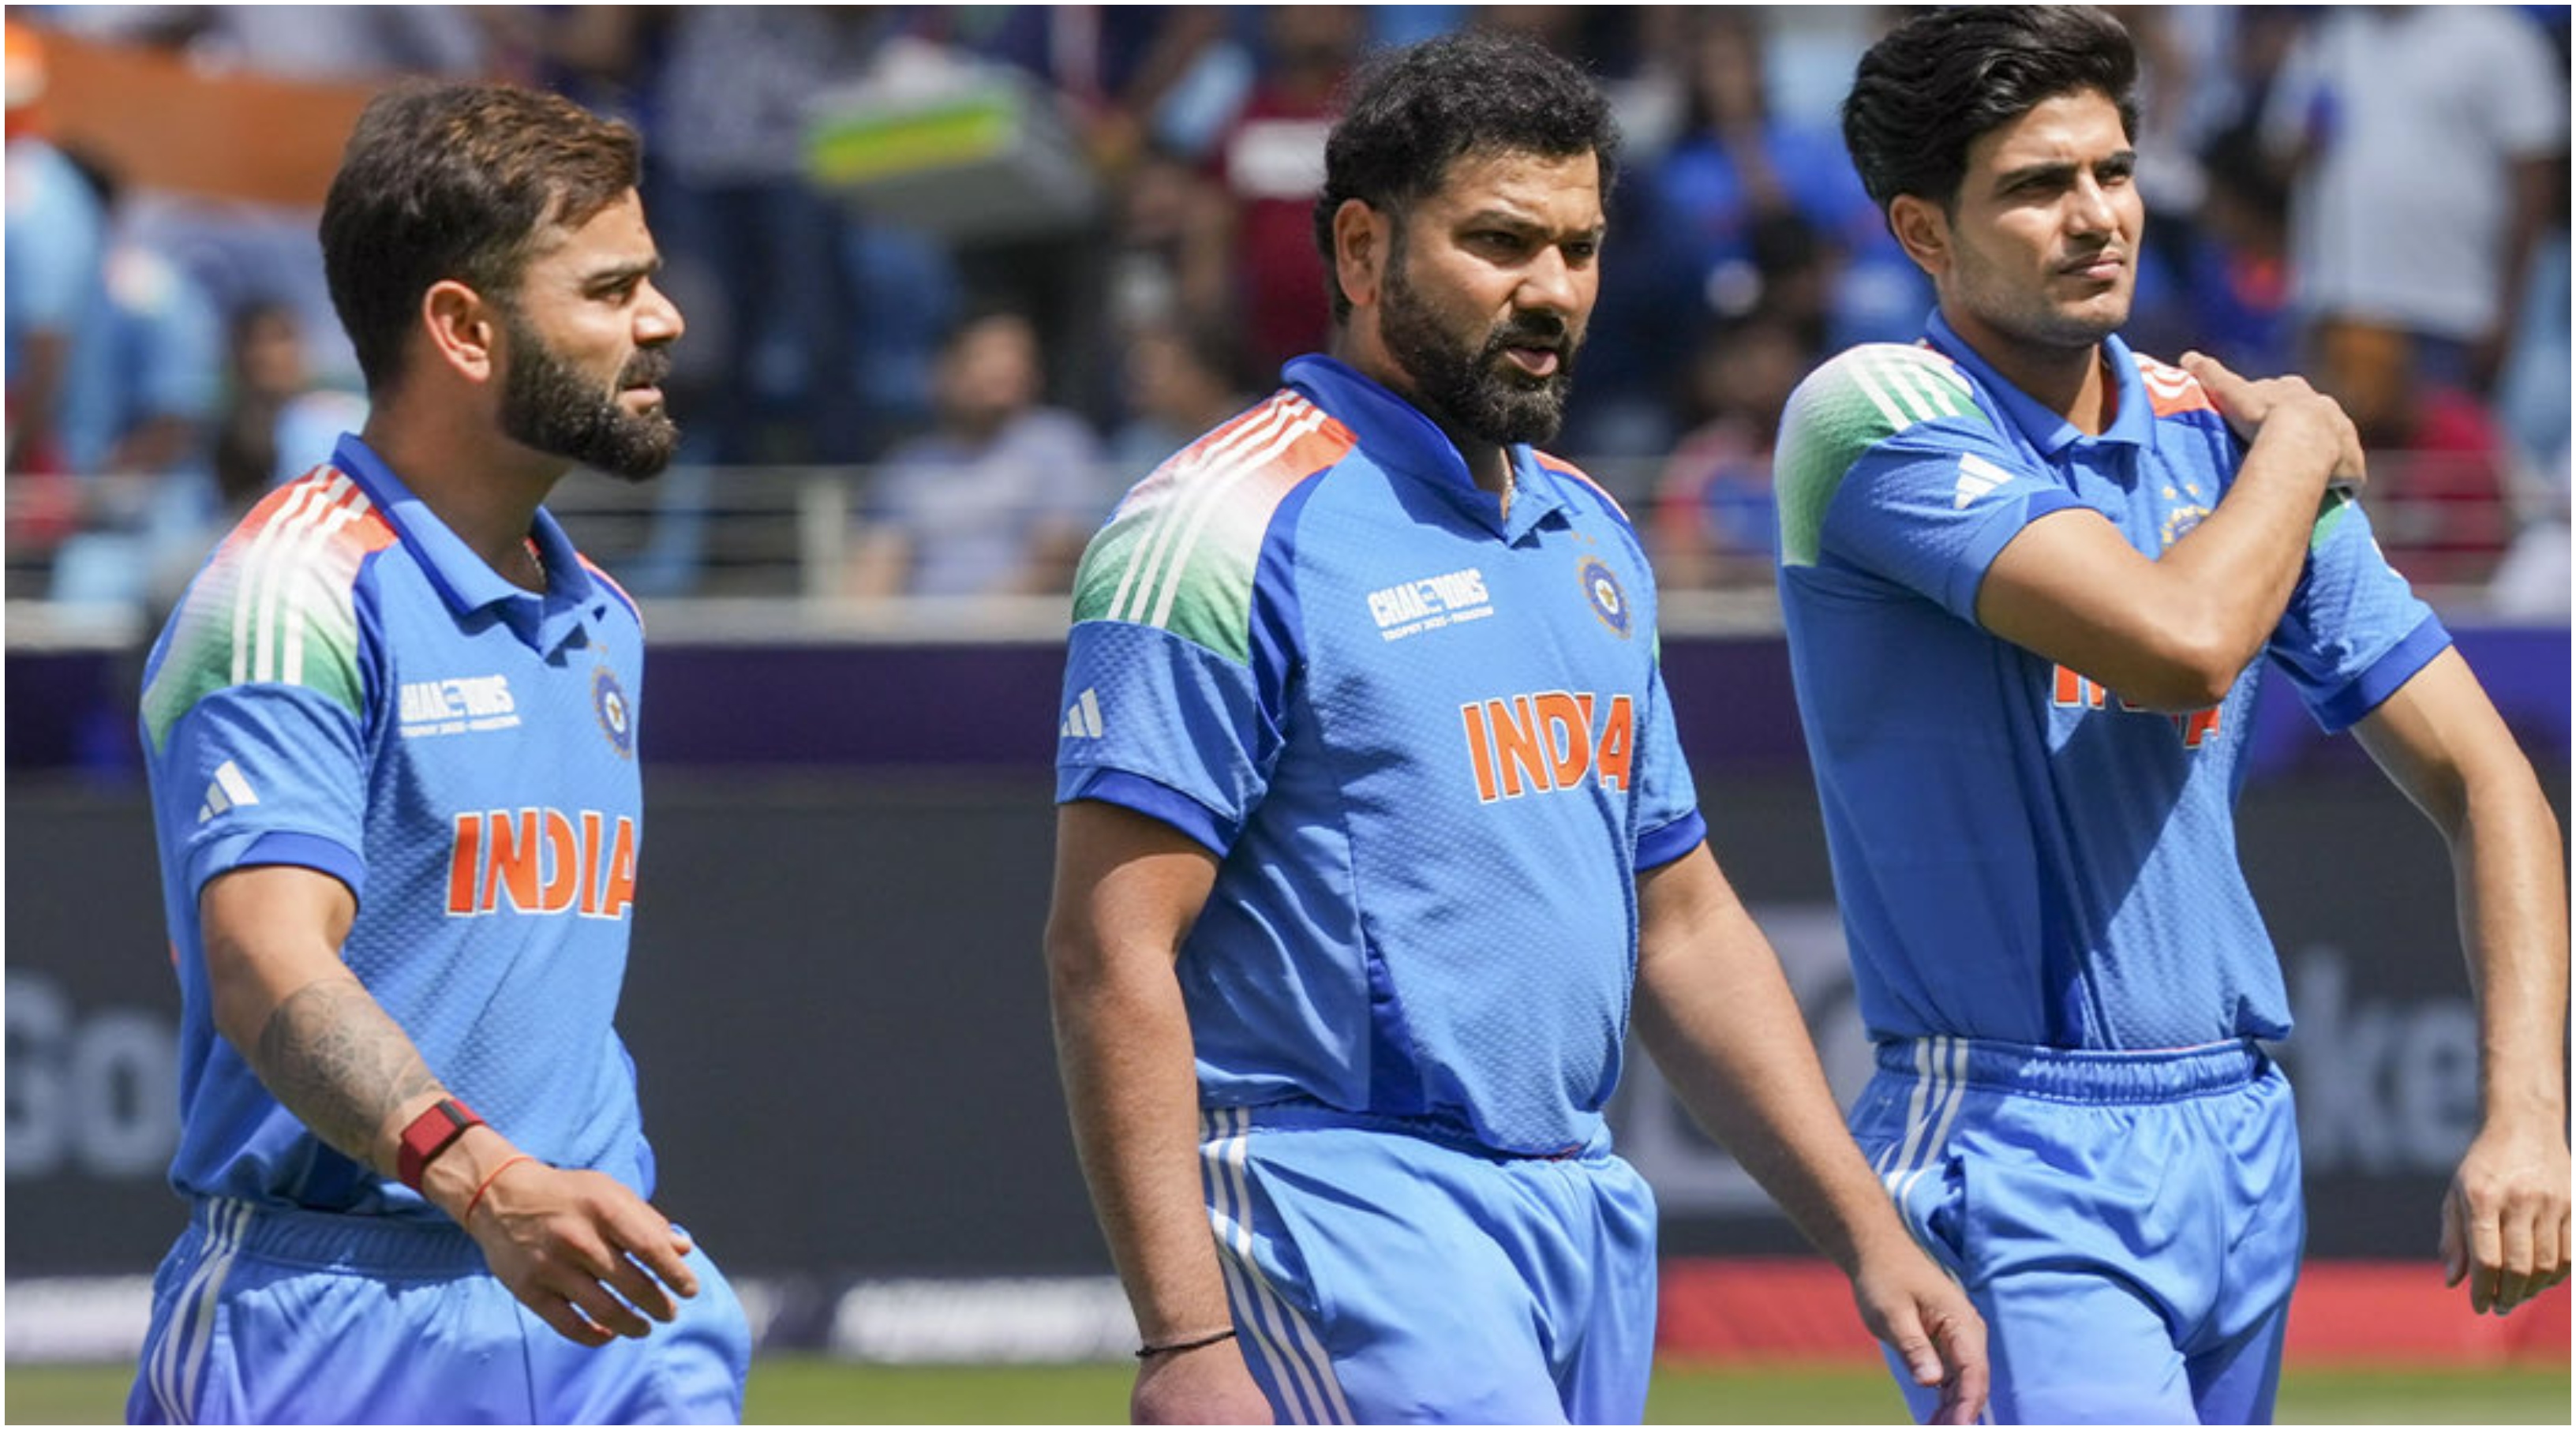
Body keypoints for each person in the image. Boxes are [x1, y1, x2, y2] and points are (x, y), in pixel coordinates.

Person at [1046, 32, 1986, 1426]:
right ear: (1360, 251)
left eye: (1577, 246)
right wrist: (1182, 1338)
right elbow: (1107, 946)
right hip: (1336, 1204)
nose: (1549, 291)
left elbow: (1679, 924)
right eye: (1498, 242)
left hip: (1576, 1214)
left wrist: (1864, 1226)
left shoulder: (1586, 528)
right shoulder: (1214, 529)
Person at [1775, 8, 2570, 1422]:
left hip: (2239, 1134)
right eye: (2033, 186)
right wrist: (2310, 448)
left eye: (2111, 170)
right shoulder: (1868, 414)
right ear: (1920, 230)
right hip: (2013, 1135)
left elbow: (2485, 778)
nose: (2094, 217)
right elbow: (2183, 647)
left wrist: (2525, 1112)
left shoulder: (2218, 439)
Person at [127, 81, 749, 1424]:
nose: (664, 321)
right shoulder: (290, 592)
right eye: (610, 289)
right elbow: (263, 956)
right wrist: (478, 1177)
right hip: (328, 1326)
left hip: (607, 1303)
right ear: (465, 328)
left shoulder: (603, 617)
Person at [842, 307, 1110, 599]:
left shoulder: (1059, 443)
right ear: (945, 371)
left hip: (1019, 634)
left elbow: (1060, 551)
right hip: (920, 636)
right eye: (986, 356)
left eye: (1017, 356)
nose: (1005, 369)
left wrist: (984, 621)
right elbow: (879, 563)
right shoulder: (911, 466)